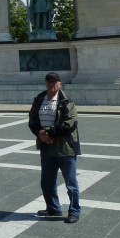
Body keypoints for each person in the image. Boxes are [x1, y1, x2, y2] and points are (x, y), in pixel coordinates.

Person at [28, 72, 81, 224]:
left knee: (70, 182)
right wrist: (40, 133)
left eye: (55, 81)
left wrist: (49, 133)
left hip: (65, 147)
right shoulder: (39, 99)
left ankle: (74, 211)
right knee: (47, 181)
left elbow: (69, 124)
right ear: (45, 83)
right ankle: (53, 207)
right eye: (49, 81)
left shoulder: (67, 101)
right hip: (46, 145)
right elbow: (32, 120)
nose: (52, 84)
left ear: (60, 84)